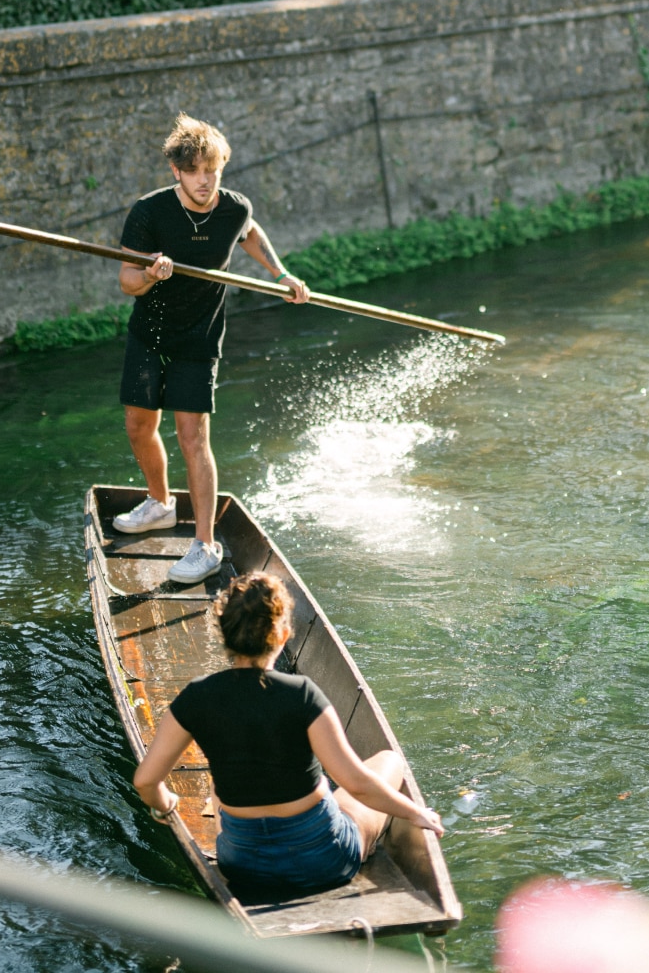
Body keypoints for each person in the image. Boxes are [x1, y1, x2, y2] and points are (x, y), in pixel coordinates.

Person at [133, 572, 444, 897]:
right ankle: (371, 852)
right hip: (324, 862)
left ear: (224, 635)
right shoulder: (302, 695)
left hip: (242, 867)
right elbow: (358, 785)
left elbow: (145, 781)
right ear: (282, 634)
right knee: (389, 761)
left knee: (221, 776)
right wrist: (417, 813)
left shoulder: (196, 698)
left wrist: (166, 805)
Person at [114, 114, 309, 584]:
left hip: (199, 340)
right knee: (140, 426)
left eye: (213, 170)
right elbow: (126, 282)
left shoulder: (233, 208)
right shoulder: (149, 212)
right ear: (177, 171)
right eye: (196, 171)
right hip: (151, 333)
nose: (205, 181)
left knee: (193, 437)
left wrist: (280, 276)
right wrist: (150, 274)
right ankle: (160, 503)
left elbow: (251, 232)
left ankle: (204, 545)